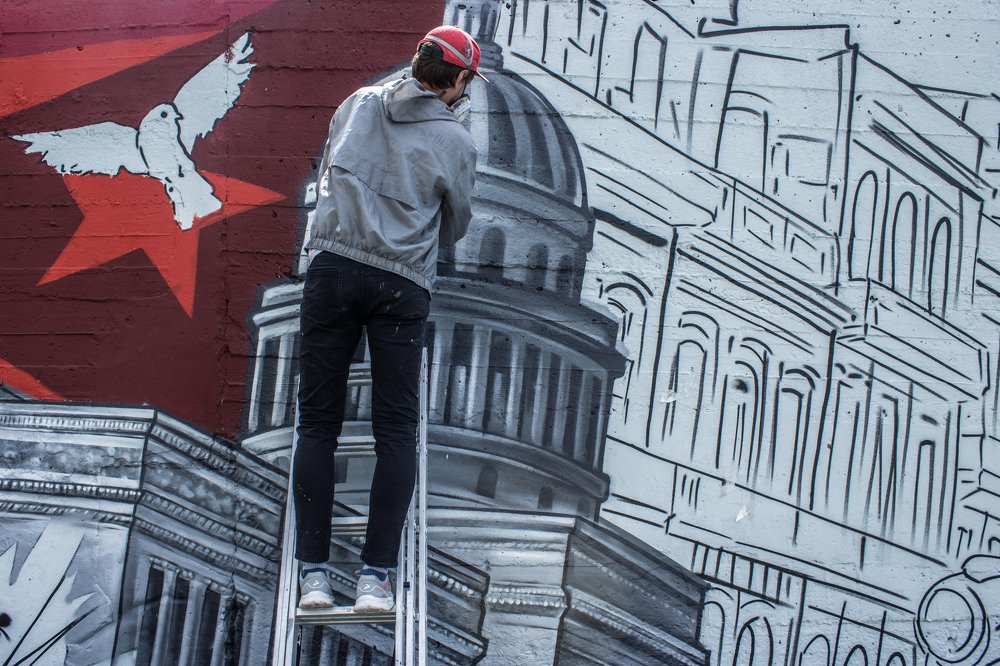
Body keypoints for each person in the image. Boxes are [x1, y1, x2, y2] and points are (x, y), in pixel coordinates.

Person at [293, 25, 486, 611]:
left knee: (317, 425)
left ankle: (313, 577)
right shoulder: (456, 141)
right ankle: (375, 578)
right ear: (459, 78)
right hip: (400, 283)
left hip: (332, 267)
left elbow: (327, 171)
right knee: (396, 432)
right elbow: (455, 225)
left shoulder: (357, 103)